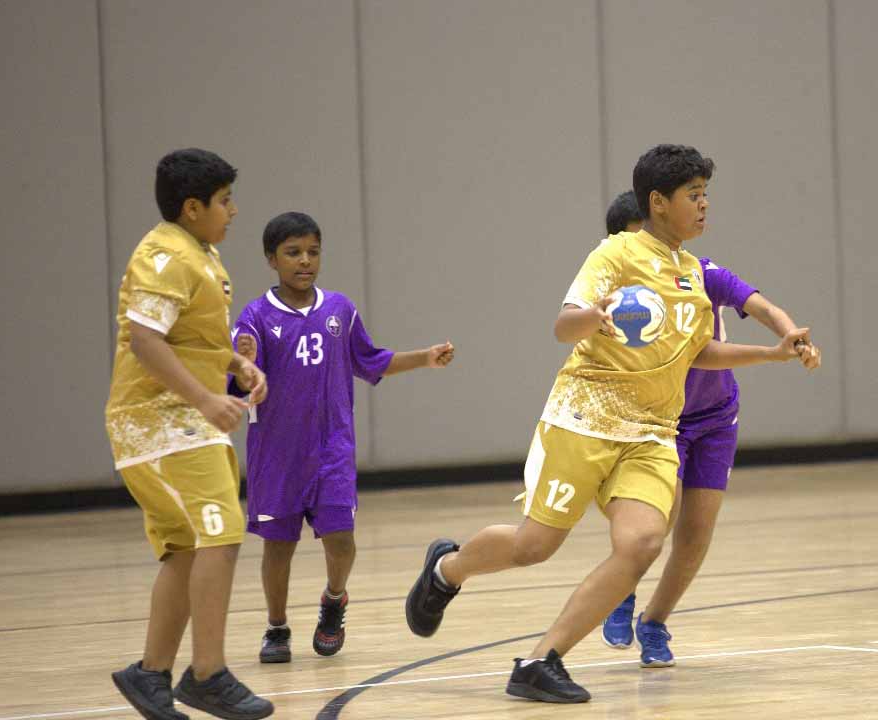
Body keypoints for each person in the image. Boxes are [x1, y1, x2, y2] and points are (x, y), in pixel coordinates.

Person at [404, 144, 812, 703]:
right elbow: (562, 325)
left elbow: (700, 354)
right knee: (533, 547)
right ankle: (447, 569)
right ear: (658, 202)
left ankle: (541, 660)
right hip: (584, 419)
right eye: (693, 195)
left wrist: (771, 353)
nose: (704, 205)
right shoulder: (615, 254)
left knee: (642, 543)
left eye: (705, 194)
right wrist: (590, 317)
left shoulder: (694, 275)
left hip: (650, 434)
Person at [597, 190, 821, 666]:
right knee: (656, 524)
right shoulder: (616, 300)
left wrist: (789, 332)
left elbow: (761, 306)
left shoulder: (702, 273)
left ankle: (654, 621)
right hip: (660, 421)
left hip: (717, 417)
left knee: (696, 535)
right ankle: (621, 590)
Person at [230, 211, 455, 664]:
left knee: (342, 541)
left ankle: (334, 601)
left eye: (313, 251)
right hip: (277, 454)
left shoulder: (340, 311)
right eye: (293, 252)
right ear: (271, 259)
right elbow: (238, 381)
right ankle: (276, 628)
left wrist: (424, 358)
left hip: (332, 450)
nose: (305, 261)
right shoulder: (255, 317)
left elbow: (372, 361)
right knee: (279, 547)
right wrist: (243, 366)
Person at [105, 148, 273, 720]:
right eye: (225, 201)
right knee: (221, 533)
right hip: (159, 424)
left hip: (182, 425)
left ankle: (150, 674)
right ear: (192, 206)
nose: (233, 211)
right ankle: (207, 674)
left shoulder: (199, 253)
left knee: (184, 550)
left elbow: (184, 337)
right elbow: (145, 341)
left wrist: (235, 364)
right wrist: (204, 396)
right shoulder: (163, 256)